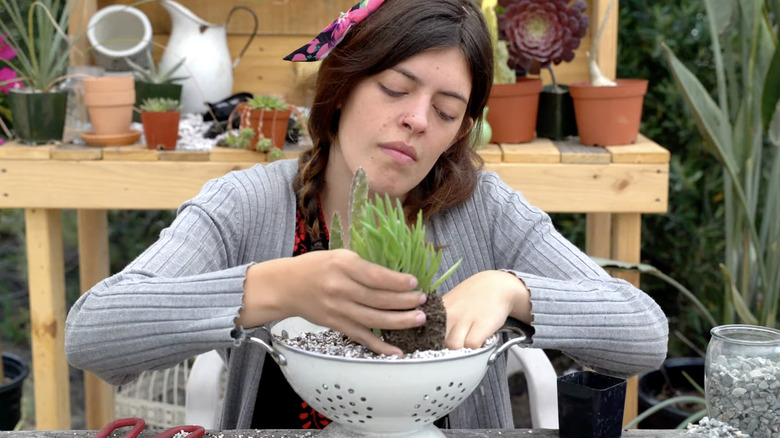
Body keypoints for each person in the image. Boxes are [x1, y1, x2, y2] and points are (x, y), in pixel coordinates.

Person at [65, 0, 668, 430]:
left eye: (447, 107)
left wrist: (510, 289)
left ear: (460, 130)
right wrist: (272, 287)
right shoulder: (248, 203)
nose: (417, 119)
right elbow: (93, 336)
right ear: (344, 86)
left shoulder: (485, 208)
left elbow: (645, 335)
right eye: (395, 88)